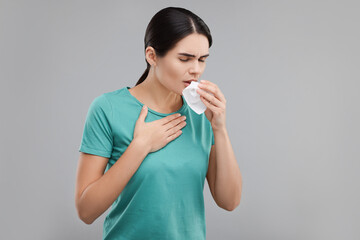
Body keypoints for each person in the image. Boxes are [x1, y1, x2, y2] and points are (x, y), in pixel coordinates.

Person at [75, 6, 242, 240]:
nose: (196, 70)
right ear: (152, 55)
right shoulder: (107, 109)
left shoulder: (201, 113)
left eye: (202, 59)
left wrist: (220, 128)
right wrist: (140, 146)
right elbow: (86, 211)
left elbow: (229, 201)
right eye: (184, 59)